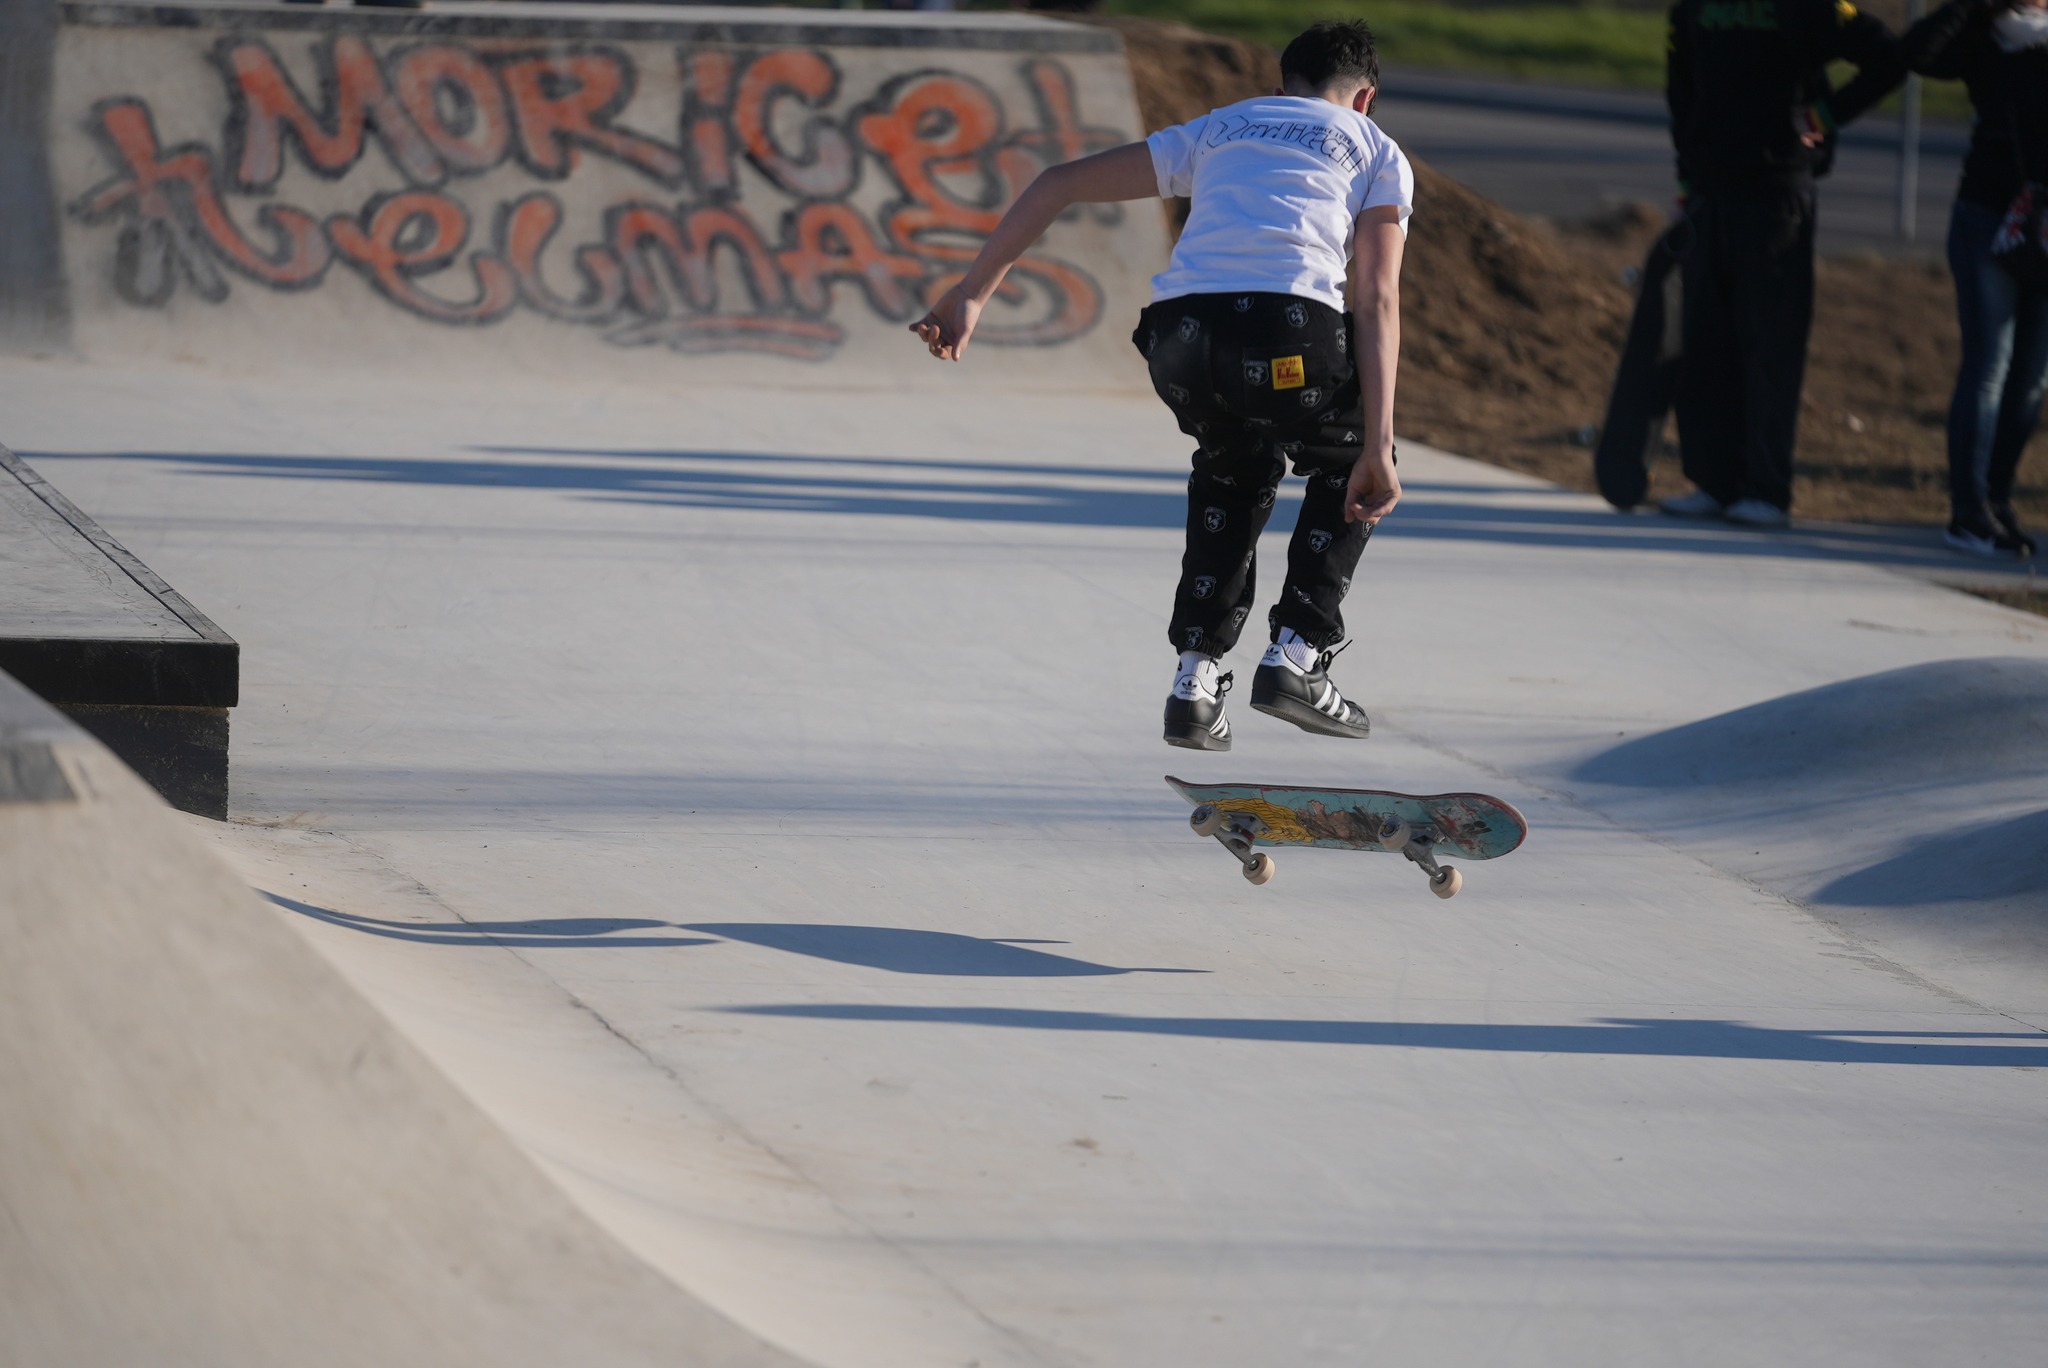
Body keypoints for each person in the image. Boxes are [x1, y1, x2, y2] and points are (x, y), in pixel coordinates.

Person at [910, 21, 1411, 752]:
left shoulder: (1222, 128)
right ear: (1364, 98)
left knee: (1232, 472)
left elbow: (1058, 183)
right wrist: (1379, 444)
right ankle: (1298, 655)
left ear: (1280, 88)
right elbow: (1376, 294)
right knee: (1350, 463)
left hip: (1183, 340)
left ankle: (1195, 683)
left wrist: (971, 294)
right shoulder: (1374, 147)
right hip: (1288, 334)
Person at [1660, 0, 1903, 527]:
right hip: (1709, 191)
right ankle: (1713, 482)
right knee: (1707, 346)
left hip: (1775, 195)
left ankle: (1766, 491)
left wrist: (1825, 116)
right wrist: (1685, 180)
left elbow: (1889, 57)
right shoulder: (1692, 8)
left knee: (1770, 346)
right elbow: (1682, 91)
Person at [1903, 0, 2048, 559]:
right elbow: (1917, 52)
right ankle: (1968, 511)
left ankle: (1998, 499)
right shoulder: (1987, 38)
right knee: (1989, 366)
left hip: (2045, 231)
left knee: (2031, 378)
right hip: (1987, 217)